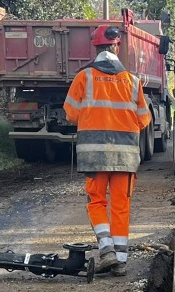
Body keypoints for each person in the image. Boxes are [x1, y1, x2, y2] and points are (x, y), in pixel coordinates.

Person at [64, 25, 152, 276]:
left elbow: (71, 113)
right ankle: (121, 262)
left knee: (97, 201)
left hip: (94, 155)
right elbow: (143, 119)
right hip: (125, 156)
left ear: (97, 49)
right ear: (116, 47)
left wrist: (92, 117)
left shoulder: (84, 77)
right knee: (121, 205)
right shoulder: (133, 81)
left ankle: (107, 250)